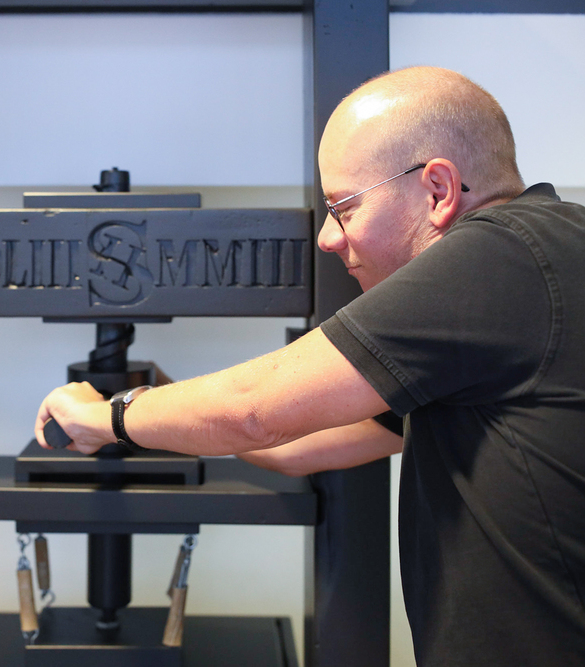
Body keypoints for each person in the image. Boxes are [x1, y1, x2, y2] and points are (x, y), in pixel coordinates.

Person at [34, 66, 585, 666]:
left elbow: (254, 412)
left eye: (343, 207)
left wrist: (105, 418)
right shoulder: (523, 284)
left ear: (437, 190)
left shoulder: (503, 254)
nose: (327, 237)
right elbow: (292, 445)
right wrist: (161, 394)